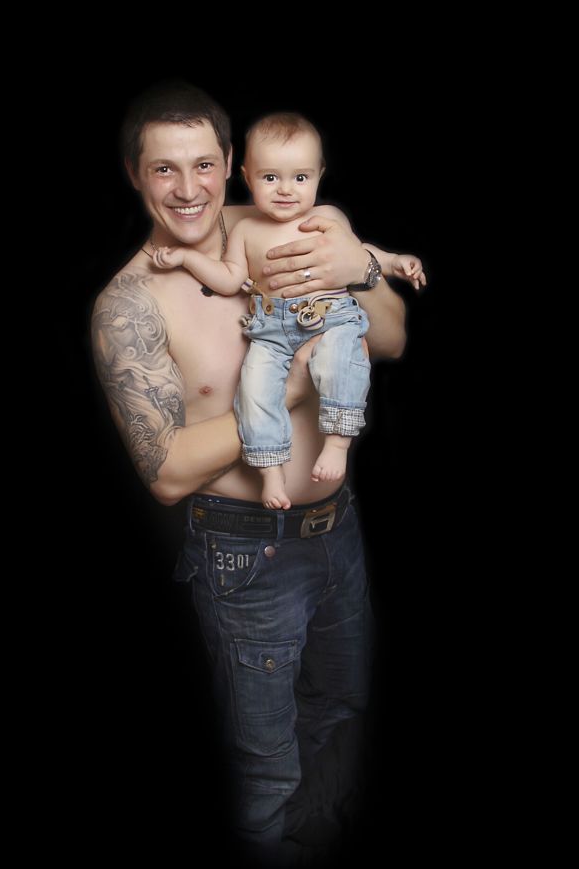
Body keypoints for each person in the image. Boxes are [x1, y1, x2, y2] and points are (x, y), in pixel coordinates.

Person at [91, 80, 423, 865]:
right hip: (245, 554)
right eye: (163, 170)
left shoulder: (290, 224)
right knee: (266, 764)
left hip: (334, 529)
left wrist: (361, 271)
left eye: (202, 165)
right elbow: (167, 471)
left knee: (342, 710)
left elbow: (392, 341)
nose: (187, 188)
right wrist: (284, 392)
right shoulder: (131, 305)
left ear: (231, 162)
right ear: (136, 176)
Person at [152, 112, 425, 509]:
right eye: (270, 178)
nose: (286, 190)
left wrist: (392, 261)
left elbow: (360, 252)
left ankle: (336, 443)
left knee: (341, 359)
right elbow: (229, 279)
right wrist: (185, 258)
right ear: (246, 177)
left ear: (319, 174)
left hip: (330, 318)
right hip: (270, 331)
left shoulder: (327, 218)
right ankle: (270, 471)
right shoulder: (247, 231)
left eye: (300, 178)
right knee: (255, 390)